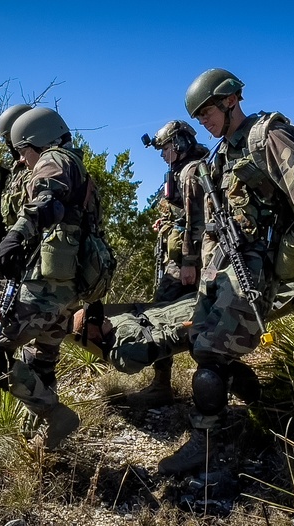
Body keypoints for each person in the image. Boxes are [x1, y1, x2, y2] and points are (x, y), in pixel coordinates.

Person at [157, 68, 294, 475]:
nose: (204, 122)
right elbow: (215, 220)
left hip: (262, 264)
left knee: (211, 350)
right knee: (200, 339)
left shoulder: (267, 136)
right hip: (228, 262)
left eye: (207, 112)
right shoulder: (222, 155)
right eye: (198, 118)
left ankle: (207, 442)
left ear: (230, 100)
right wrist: (201, 271)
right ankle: (263, 402)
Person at [0, 107, 105, 450]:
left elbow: (47, 200)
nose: (20, 161)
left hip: (42, 290)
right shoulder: (75, 165)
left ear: (36, 142)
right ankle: (43, 444)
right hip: (64, 290)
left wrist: (14, 236)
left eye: (21, 153)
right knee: (41, 363)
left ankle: (55, 414)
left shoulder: (54, 159)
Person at [129, 120, 209, 406]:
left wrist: (188, 261)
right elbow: (182, 216)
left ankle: (166, 386)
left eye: (165, 148)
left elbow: (197, 221)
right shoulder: (183, 170)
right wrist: (167, 223)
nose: (163, 154)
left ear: (179, 144)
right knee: (188, 318)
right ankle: (166, 384)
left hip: (189, 263)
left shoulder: (191, 172)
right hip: (183, 258)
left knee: (160, 315)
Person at [0, 104, 33, 315]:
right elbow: (10, 205)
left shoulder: (42, 167)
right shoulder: (18, 169)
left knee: (12, 325)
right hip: (8, 258)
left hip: (27, 260)